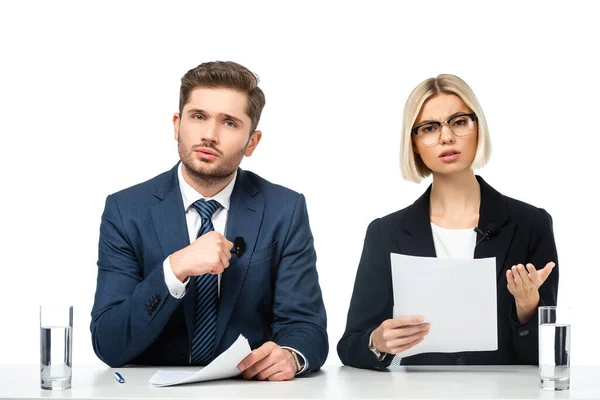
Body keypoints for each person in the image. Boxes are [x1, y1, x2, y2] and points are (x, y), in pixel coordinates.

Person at [91, 61, 328, 380]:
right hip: (150, 390)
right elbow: (109, 343)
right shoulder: (125, 210)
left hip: (249, 389)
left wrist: (291, 356)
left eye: (229, 123)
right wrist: (174, 269)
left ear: (252, 142)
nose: (209, 135)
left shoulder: (284, 208)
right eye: (198, 117)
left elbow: (306, 327)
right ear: (177, 124)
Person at [337, 74, 558, 369]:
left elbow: (550, 356)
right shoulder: (385, 233)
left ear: (478, 127)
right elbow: (350, 345)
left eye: (459, 122)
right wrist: (377, 341)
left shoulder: (531, 224)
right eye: (429, 128)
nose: (446, 137)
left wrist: (528, 306)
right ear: (414, 143)